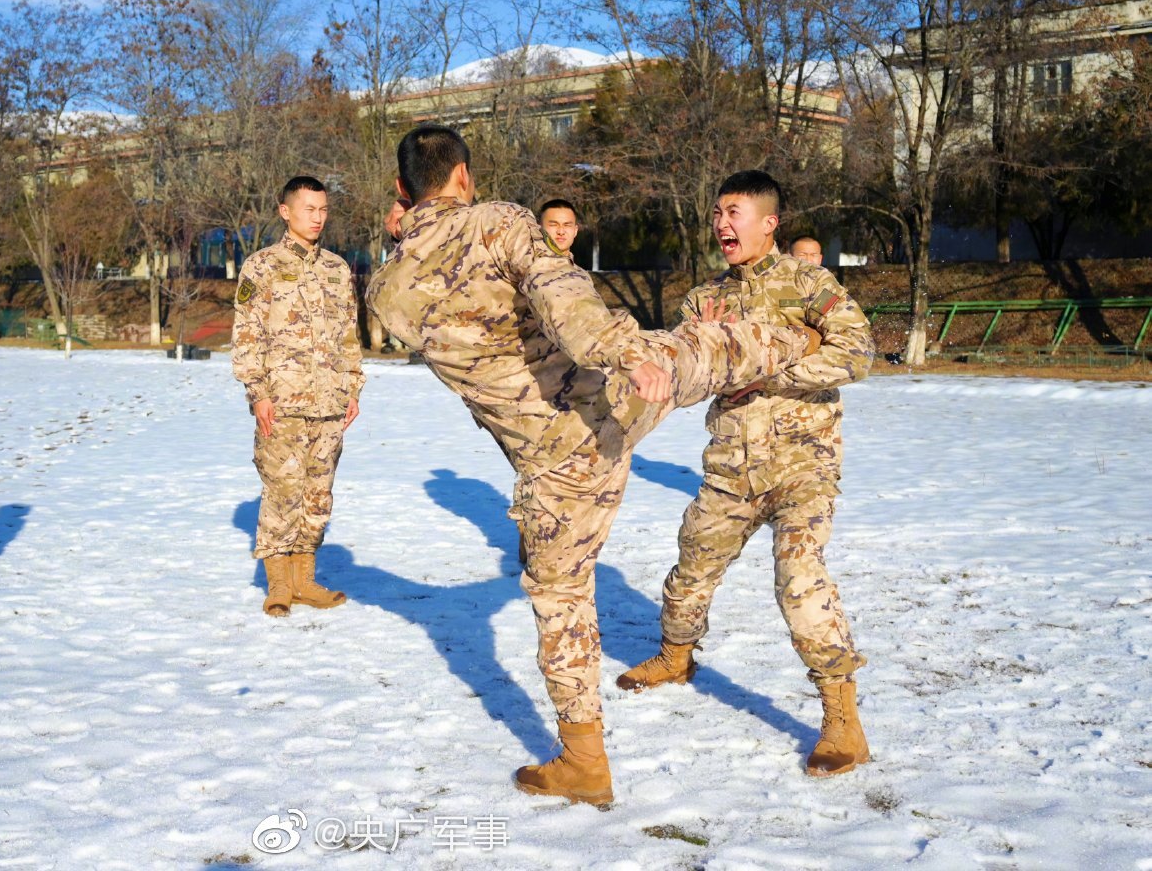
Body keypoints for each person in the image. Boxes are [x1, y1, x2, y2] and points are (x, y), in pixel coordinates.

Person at [367, 126, 821, 807]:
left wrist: (404, 240)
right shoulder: (499, 222)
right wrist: (625, 352)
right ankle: (801, 336)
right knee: (695, 346)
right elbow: (560, 294)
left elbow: (437, 292)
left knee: (560, 604)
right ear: (463, 176)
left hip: (553, 465)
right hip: (612, 400)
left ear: (401, 190)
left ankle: (584, 761)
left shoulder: (384, 290)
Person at [618, 171, 875, 777]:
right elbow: (685, 367)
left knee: (800, 581)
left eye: (734, 212)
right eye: (716, 213)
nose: (722, 224)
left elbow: (857, 353)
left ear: (769, 222)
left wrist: (768, 373)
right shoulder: (705, 300)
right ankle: (676, 658)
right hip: (731, 468)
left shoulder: (811, 283)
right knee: (691, 568)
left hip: (802, 468)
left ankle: (842, 719)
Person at [231, 176, 364, 617]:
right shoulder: (261, 266)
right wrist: (258, 393)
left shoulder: (337, 269)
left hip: (330, 405)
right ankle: (279, 585)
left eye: (323, 210)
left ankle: (306, 581)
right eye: (309, 209)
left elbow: (349, 334)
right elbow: (247, 335)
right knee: (282, 493)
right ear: (285, 211)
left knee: (317, 496)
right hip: (282, 404)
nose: (318, 218)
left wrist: (352, 387)